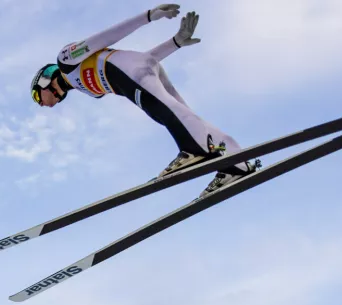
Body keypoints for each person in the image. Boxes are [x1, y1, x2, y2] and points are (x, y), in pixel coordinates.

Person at [30, 4, 259, 197]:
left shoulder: (65, 61)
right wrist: (175, 42)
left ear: (44, 81)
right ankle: (237, 163)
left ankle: (194, 151)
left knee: (168, 112)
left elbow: (106, 37)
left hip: (132, 74)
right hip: (141, 69)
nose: (42, 104)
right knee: (182, 114)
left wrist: (148, 16)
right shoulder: (89, 90)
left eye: (38, 97)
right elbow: (141, 60)